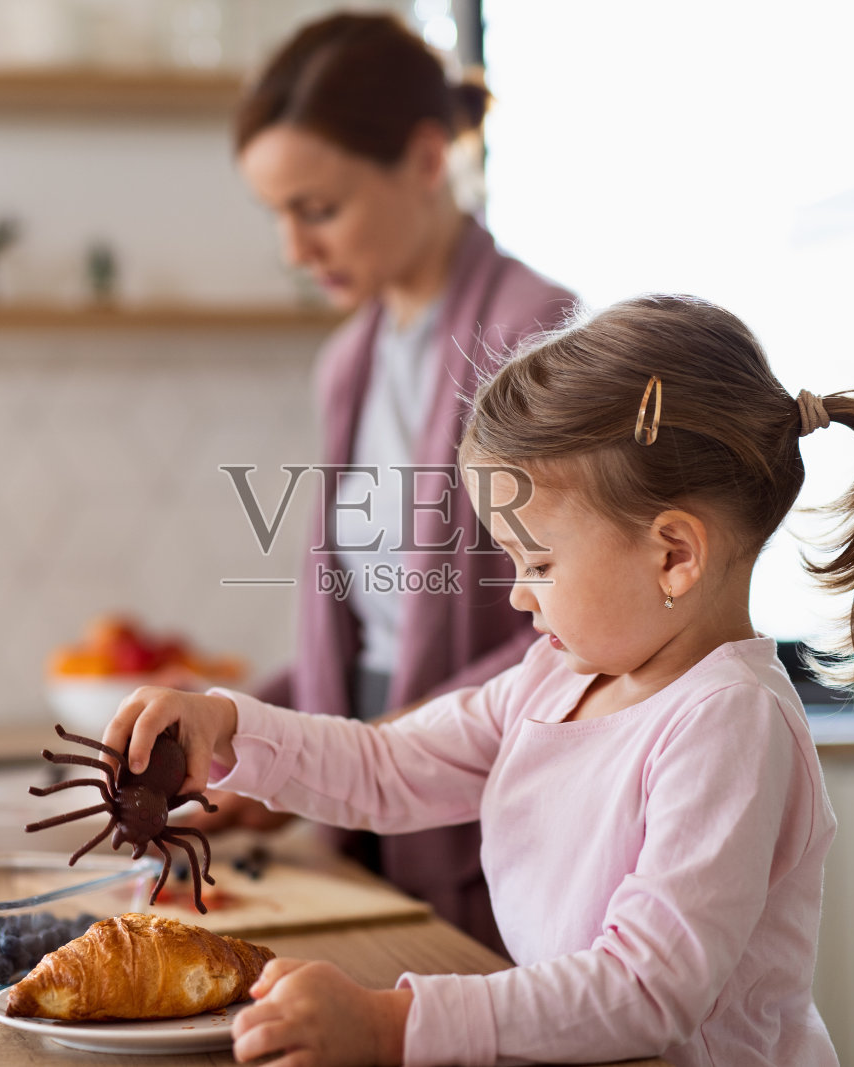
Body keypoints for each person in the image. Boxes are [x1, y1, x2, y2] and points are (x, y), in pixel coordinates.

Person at [105, 294, 854, 1066]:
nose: (519, 594)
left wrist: (393, 1022)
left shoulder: (729, 725)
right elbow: (386, 767)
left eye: (536, 560)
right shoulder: (553, 680)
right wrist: (229, 729)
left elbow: (646, 989)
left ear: (674, 555)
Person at [188, 11, 575, 953]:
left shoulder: (542, 334)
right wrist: (251, 741)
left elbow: (577, 636)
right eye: (277, 215)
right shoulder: (350, 357)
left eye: (317, 209)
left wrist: (334, 759)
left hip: (497, 835)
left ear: (427, 158)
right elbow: (366, 635)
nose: (292, 247)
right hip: (369, 828)